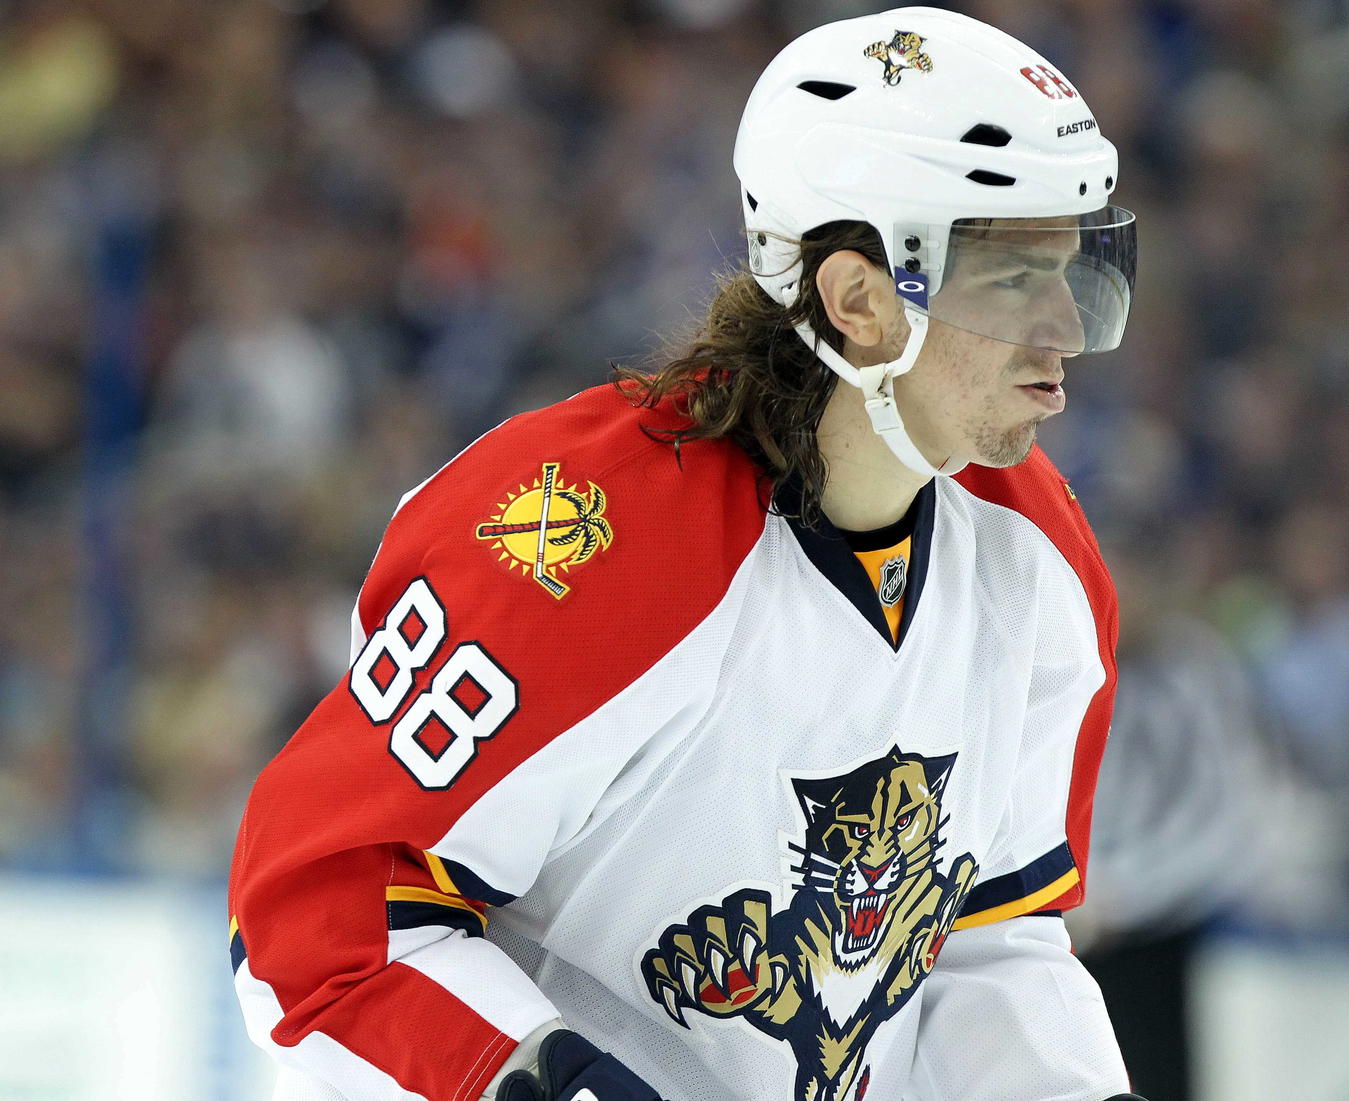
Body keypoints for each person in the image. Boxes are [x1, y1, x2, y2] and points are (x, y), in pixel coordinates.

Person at [228, 8, 1143, 1101]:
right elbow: (316, 922)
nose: (1066, 330)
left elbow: (985, 934)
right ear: (858, 299)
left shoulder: (1037, 564)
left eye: (1074, 269)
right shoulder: (582, 543)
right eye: (1012, 280)